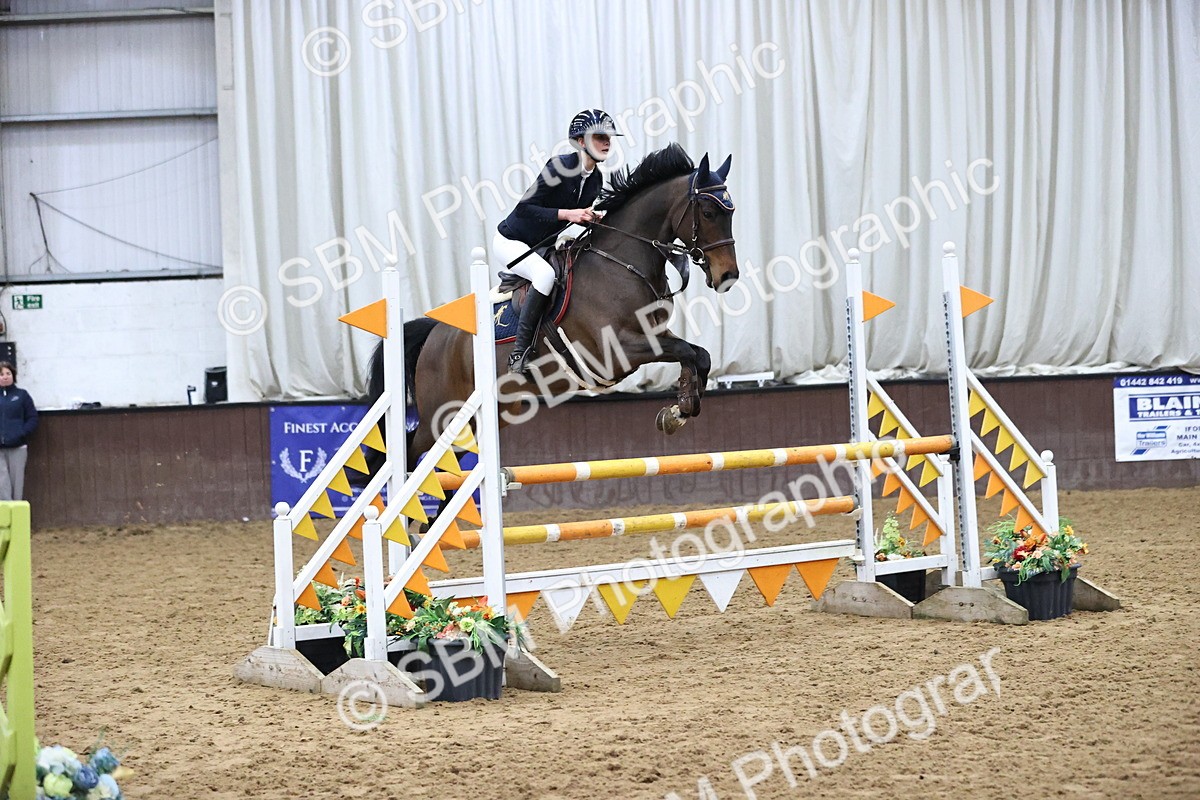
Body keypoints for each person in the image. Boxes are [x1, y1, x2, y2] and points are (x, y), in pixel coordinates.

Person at [494, 108, 623, 374]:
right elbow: (524, 210)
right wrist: (570, 214)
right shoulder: (559, 167)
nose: (607, 142)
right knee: (544, 276)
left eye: (609, 137)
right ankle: (519, 354)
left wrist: (589, 218)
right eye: (599, 136)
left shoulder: (596, 180)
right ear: (580, 142)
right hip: (513, 242)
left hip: (543, 246)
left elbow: (569, 220)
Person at [0, 361, 37, 501]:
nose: (5, 377)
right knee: (2, 484)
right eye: (1, 374)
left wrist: (21, 433)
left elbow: (32, 418)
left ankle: (17, 517)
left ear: (13, 376)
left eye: (8, 373)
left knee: (17, 484)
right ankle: (4, 520)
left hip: (18, 447)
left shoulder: (22, 395)